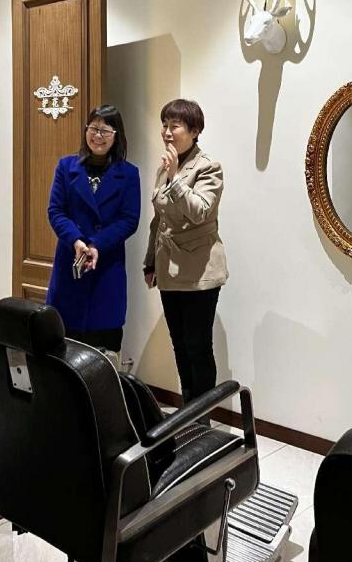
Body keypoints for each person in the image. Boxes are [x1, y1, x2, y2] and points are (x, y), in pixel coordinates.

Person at [144, 98, 228, 406]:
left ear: (194, 131)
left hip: (199, 272)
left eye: (175, 126)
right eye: (164, 125)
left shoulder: (208, 167)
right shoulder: (165, 165)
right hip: (168, 271)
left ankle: (201, 417)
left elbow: (200, 211)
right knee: (179, 345)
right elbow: (159, 220)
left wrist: (176, 177)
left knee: (198, 347)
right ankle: (188, 411)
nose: (167, 132)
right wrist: (150, 263)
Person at [47, 105, 140, 352]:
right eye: (93, 128)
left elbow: (129, 220)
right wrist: (77, 240)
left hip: (106, 268)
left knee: (103, 352)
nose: (98, 136)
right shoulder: (66, 167)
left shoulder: (129, 174)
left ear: (116, 135)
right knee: (63, 351)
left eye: (105, 130)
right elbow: (56, 211)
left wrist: (96, 243)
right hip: (70, 265)